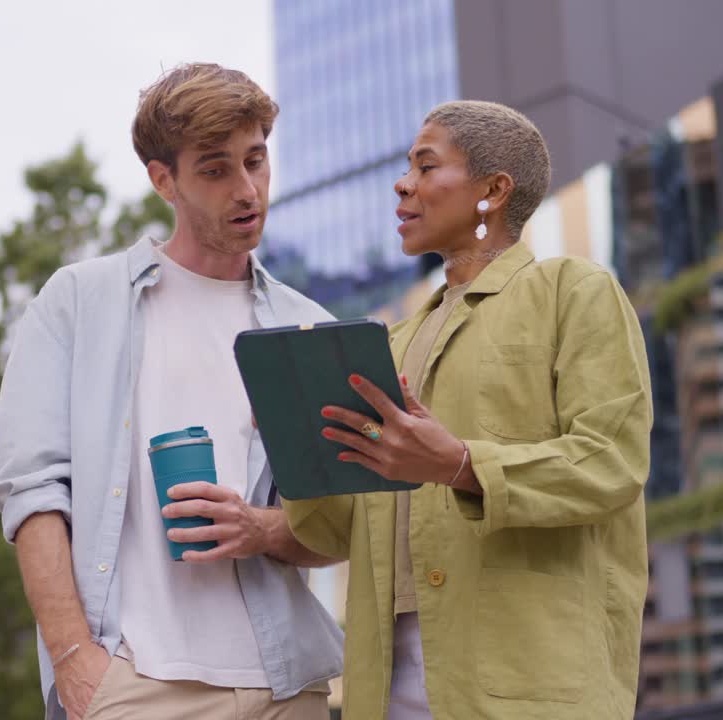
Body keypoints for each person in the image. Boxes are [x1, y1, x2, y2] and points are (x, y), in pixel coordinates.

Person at [0, 63, 343, 720]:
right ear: (163, 180)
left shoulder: (309, 329)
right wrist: (73, 658)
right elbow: (31, 493)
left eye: (256, 160)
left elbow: (338, 534)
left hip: (288, 684)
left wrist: (261, 528)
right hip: (134, 682)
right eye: (215, 170)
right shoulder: (79, 302)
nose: (247, 189)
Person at [285, 100, 652, 719]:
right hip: (386, 690)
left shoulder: (573, 291)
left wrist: (461, 465)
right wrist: (295, 437)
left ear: (493, 190)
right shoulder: (387, 345)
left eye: (426, 167)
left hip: (528, 681)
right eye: (407, 168)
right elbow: (329, 530)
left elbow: (612, 461)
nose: (402, 184)